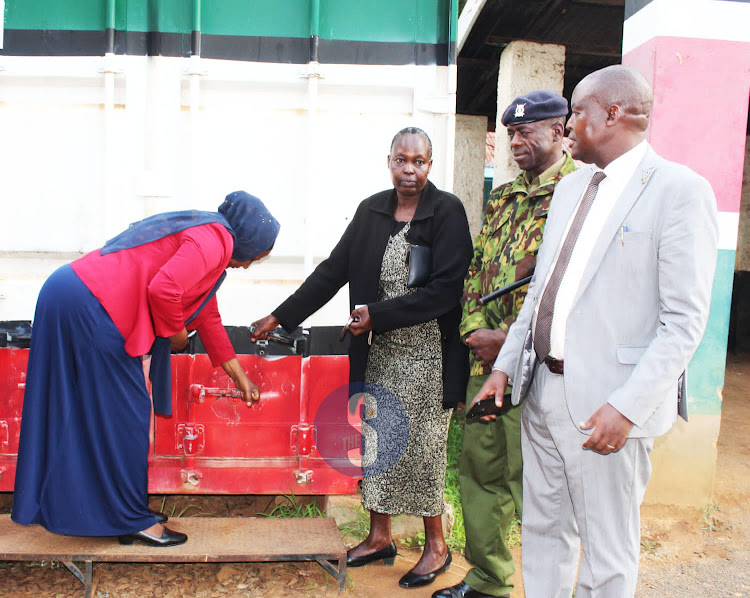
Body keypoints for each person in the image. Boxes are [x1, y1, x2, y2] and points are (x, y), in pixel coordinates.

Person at [471, 65, 719, 597]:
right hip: (543, 394)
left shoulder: (680, 192)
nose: (567, 124)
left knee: (607, 553)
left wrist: (627, 406)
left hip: (608, 409)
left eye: (576, 112)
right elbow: (540, 294)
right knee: (543, 532)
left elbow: (683, 322)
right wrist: (505, 367)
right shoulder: (571, 189)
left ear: (613, 113)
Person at [252, 127, 472, 589]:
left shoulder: (447, 211)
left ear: (431, 165)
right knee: (377, 444)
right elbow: (334, 269)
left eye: (419, 162)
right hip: (379, 353)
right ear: (388, 161)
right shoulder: (372, 210)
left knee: (424, 449)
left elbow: (447, 291)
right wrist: (281, 315)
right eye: (401, 160)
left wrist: (379, 314)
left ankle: (435, 546)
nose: (409, 170)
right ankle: (379, 537)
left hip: (428, 350)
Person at [12, 191, 280, 547]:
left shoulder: (207, 233)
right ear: (247, 240)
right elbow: (165, 289)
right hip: (91, 306)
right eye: (255, 258)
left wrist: (240, 377)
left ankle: (119, 509)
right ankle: (131, 518)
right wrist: (176, 333)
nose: (247, 266)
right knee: (128, 416)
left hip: (74, 294)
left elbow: (207, 315)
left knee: (90, 413)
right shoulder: (216, 240)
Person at [434, 91, 576, 598]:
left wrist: (510, 343)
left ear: (559, 131)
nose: (515, 141)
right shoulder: (504, 196)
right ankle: (489, 580)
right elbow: (476, 270)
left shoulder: (579, 193)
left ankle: (544, 587)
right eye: (511, 133)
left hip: (539, 368)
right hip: (486, 364)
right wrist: (475, 332)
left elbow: (567, 288)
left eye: (526, 132)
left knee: (533, 484)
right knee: (480, 473)